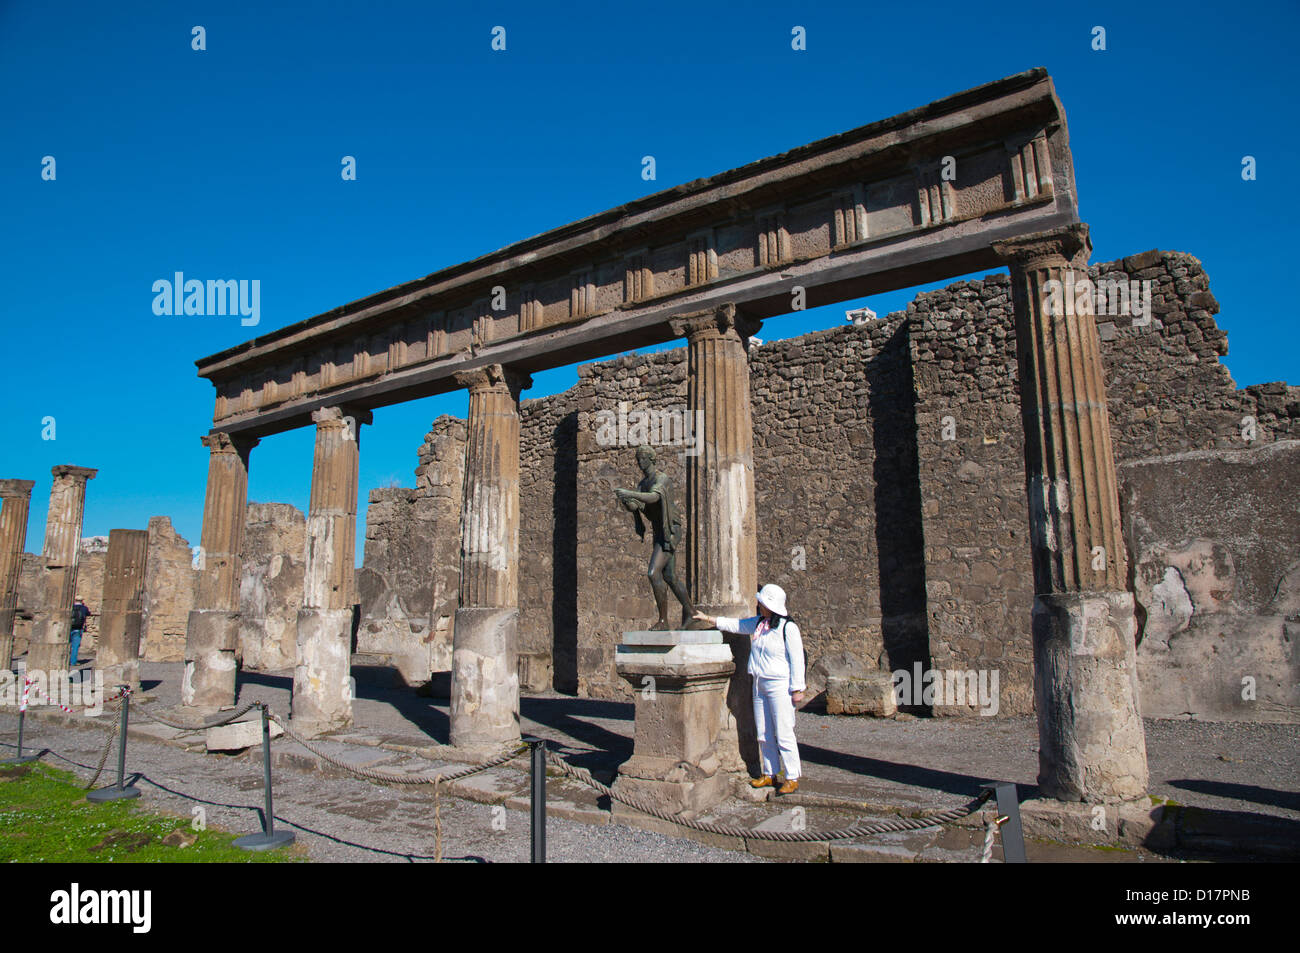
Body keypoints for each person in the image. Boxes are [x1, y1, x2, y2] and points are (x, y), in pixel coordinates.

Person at [694, 583, 805, 794]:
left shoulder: (788, 628)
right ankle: (770, 773)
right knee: (763, 731)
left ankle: (791, 776)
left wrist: (797, 687)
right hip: (759, 682)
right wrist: (709, 619)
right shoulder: (759, 623)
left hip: (779, 684)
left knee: (783, 731)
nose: (759, 605)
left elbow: (797, 659)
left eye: (762, 602)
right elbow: (736, 625)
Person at [614, 445, 699, 630]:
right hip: (659, 530)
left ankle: (663, 621)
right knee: (669, 576)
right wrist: (629, 503)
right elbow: (641, 507)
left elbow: (653, 498)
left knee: (653, 573)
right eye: (638, 459)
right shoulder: (642, 484)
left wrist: (629, 494)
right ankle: (691, 613)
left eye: (642, 458)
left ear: (651, 459)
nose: (639, 462)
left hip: (670, 530)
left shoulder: (662, 479)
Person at [69, 596, 91, 667]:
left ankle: (66, 660)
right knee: (75, 646)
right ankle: (73, 662)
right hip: (78, 629)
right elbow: (88, 613)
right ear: (82, 601)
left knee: (68, 645)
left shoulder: (71, 607)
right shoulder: (84, 608)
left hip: (69, 628)